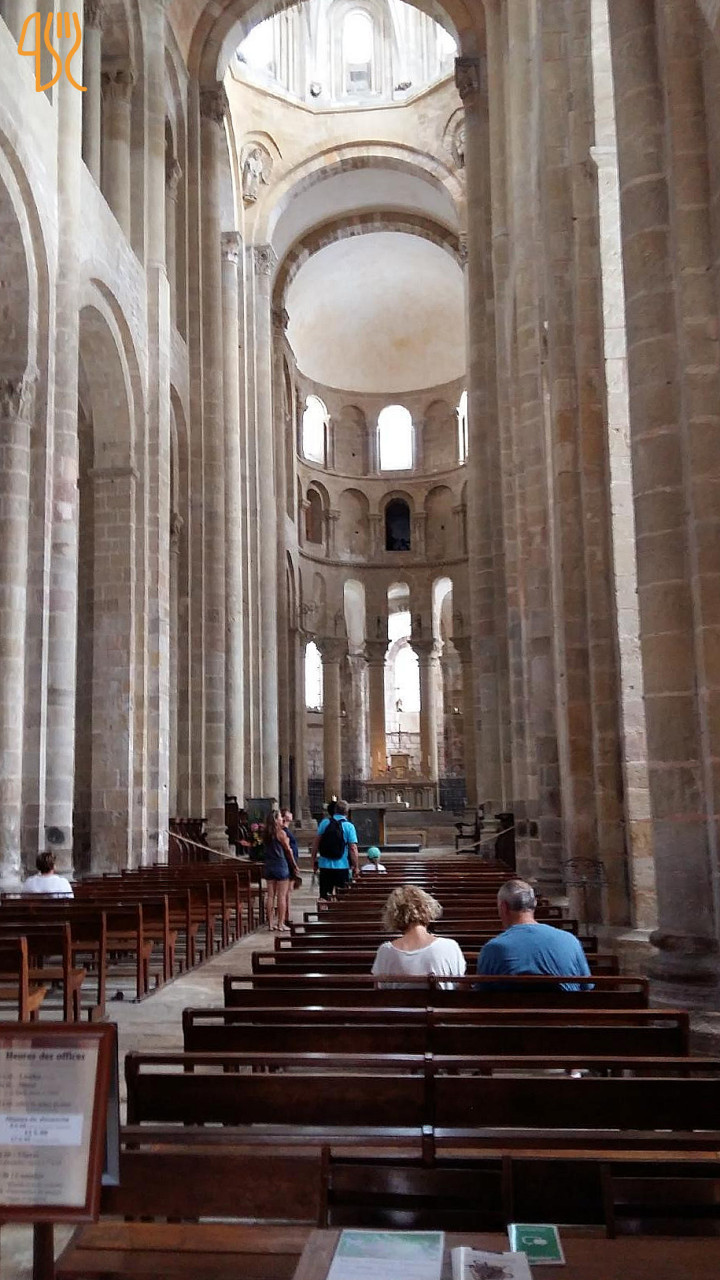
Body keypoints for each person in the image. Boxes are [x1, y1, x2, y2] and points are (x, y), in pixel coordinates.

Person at [476, 879, 593, 992]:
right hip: (567, 1005)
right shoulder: (570, 941)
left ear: (503, 907)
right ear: (534, 904)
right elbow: (586, 987)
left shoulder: (493, 949)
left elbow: (482, 994)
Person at [371, 886, 466, 985]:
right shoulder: (449, 946)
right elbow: (460, 986)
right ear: (427, 909)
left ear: (393, 916)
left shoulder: (385, 951)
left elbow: (379, 989)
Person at [311, 799, 359, 900]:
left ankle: (324, 909)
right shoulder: (349, 826)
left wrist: (313, 860)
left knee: (324, 896)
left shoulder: (324, 823)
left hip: (325, 865)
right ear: (346, 812)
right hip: (342, 866)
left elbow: (315, 844)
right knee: (342, 897)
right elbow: (353, 848)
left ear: (335, 810)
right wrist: (356, 866)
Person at [261, 811, 298, 931]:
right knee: (281, 896)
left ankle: (270, 923)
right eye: (280, 817)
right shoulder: (281, 833)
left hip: (269, 865)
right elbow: (288, 850)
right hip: (280, 865)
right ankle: (281, 923)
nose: (282, 818)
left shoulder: (266, 834)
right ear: (276, 820)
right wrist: (294, 865)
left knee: (270, 896)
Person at [281, 807, 301, 926]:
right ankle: (286, 917)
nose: (291, 814)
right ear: (284, 817)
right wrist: (294, 865)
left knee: (288, 891)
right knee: (287, 892)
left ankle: (286, 916)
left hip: (290, 862)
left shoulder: (286, 830)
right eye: (288, 813)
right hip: (289, 863)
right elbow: (288, 849)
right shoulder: (284, 831)